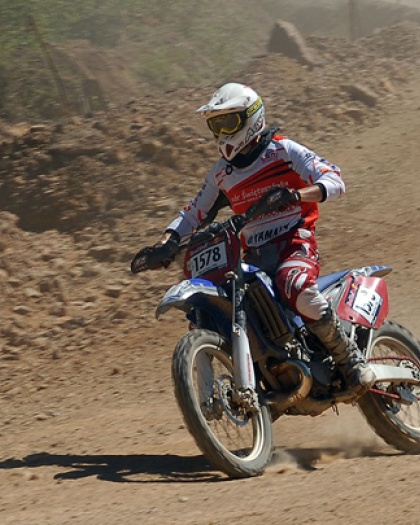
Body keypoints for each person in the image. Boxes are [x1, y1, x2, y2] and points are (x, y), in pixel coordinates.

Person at [132, 82, 375, 390]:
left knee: (294, 284)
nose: (221, 133)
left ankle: (350, 359)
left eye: (227, 122)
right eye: (215, 125)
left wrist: (296, 196)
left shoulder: (283, 150)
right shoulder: (221, 174)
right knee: (230, 301)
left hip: (294, 241)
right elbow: (193, 212)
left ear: (251, 118)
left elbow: (335, 180)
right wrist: (165, 243)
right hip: (254, 253)